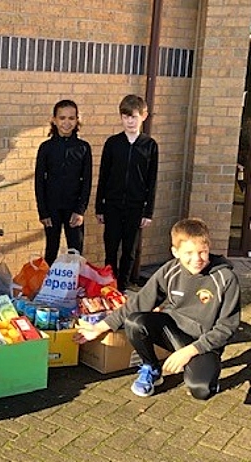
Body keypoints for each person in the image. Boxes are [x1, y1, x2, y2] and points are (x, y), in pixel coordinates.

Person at [75, 218, 240, 400]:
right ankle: (152, 368)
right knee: (136, 322)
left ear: (209, 248)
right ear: (175, 252)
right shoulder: (170, 270)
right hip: (174, 332)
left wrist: (190, 351)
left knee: (201, 390)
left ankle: (203, 370)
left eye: (203, 252)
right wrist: (99, 328)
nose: (197, 259)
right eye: (189, 253)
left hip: (204, 342)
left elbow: (227, 328)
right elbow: (138, 303)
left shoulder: (225, 278)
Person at [95, 94, 158, 291]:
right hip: (112, 205)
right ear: (121, 117)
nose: (130, 121)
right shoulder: (113, 144)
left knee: (130, 250)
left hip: (136, 206)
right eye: (126, 116)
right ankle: (109, 285)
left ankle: (122, 286)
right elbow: (103, 176)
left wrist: (148, 212)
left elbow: (152, 180)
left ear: (144, 116)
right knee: (111, 247)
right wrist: (100, 206)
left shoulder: (150, 145)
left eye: (134, 116)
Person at [34, 99, 93, 265]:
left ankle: (73, 286)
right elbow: (39, 181)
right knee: (51, 249)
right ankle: (49, 287)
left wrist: (80, 210)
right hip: (51, 208)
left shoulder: (83, 147)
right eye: (62, 118)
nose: (67, 123)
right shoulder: (46, 148)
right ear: (54, 120)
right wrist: (43, 211)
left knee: (76, 250)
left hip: (74, 208)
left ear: (77, 120)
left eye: (71, 118)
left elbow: (86, 181)